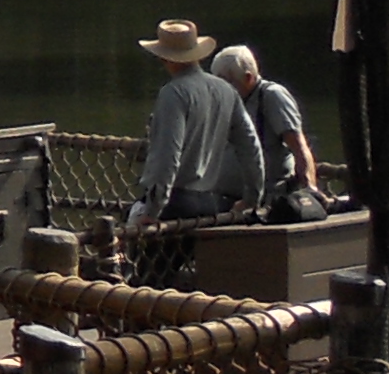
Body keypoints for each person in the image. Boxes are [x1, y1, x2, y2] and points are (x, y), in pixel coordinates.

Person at [126, 19, 260, 230]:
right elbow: (251, 147)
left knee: (137, 254)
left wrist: (152, 211)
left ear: (164, 57)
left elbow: (167, 157)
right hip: (211, 202)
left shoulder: (173, 93)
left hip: (175, 203)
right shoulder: (227, 91)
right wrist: (252, 197)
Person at [217, 43, 328, 222]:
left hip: (266, 201)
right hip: (225, 198)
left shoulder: (272, 96)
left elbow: (299, 147)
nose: (221, 90)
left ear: (248, 78)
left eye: (227, 82)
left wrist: (310, 191)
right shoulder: (228, 102)